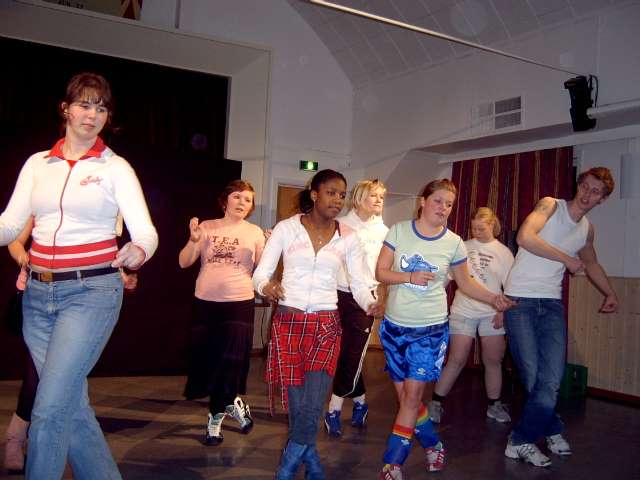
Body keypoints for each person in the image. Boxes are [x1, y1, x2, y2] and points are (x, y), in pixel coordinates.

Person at [0, 72, 158, 479]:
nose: (92, 114)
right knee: (72, 407)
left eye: (101, 108)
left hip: (90, 292)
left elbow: (146, 232)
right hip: (37, 296)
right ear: (65, 108)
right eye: (84, 105)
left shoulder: (115, 168)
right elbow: (11, 224)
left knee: (50, 409)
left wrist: (139, 251)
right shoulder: (38, 164)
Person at [375, 179, 514, 479]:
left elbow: (465, 283)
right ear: (423, 201)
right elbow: (381, 272)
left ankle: (393, 463)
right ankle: (433, 444)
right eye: (438, 201)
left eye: (449, 204)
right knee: (408, 400)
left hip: (429, 330)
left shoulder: (454, 242)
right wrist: (409, 277)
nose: (443, 208)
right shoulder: (399, 231)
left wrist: (493, 298)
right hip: (394, 328)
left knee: (411, 398)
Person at [253, 169, 382, 480]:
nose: (337, 200)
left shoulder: (348, 236)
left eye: (342, 195)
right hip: (289, 320)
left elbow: (359, 283)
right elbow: (260, 274)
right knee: (298, 404)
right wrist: (267, 286)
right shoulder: (286, 229)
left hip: (326, 323)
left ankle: (287, 465)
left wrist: (369, 303)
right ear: (314, 194)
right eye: (331, 193)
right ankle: (310, 459)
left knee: (315, 400)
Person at [503, 167, 618, 468]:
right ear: (579, 184)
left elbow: (592, 264)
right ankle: (538, 434)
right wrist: (566, 258)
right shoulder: (550, 205)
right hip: (520, 300)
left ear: (602, 199)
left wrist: (610, 293)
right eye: (586, 186)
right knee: (533, 377)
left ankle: (524, 438)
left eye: (596, 192)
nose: (588, 194)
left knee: (551, 379)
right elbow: (525, 237)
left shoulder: (587, 230)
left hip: (551, 303)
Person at [3, 218, 137, 474]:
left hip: (81, 299)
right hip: (39, 296)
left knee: (56, 398)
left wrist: (122, 276)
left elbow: (96, 254)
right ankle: (15, 439)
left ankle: (15, 438)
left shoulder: (101, 206)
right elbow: (13, 238)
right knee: (48, 389)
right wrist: (24, 259)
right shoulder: (41, 198)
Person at [178, 180, 265, 446]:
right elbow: (184, 262)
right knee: (210, 362)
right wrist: (194, 240)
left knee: (230, 363)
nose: (242, 202)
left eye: (248, 199)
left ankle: (214, 419)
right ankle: (233, 403)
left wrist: (270, 247)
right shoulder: (207, 226)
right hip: (206, 303)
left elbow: (263, 271)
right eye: (237, 196)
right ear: (225, 200)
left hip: (239, 303)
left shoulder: (255, 232)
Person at [429, 207, 515, 424]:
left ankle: (494, 405)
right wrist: (429, 295)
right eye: (474, 228)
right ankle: (436, 403)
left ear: (492, 225)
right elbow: (447, 278)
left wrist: (502, 311)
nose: (476, 232)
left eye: (481, 228)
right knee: (457, 359)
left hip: (491, 312)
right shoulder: (463, 247)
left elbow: (511, 287)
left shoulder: (504, 253)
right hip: (463, 309)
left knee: (493, 360)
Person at [325, 179, 388, 436]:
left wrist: (383, 298)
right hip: (335, 295)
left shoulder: (384, 231)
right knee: (344, 355)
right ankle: (360, 402)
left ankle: (333, 409)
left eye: (382, 196)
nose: (379, 200)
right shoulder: (340, 225)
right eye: (374, 195)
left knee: (353, 354)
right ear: (359, 197)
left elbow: (387, 268)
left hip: (365, 298)